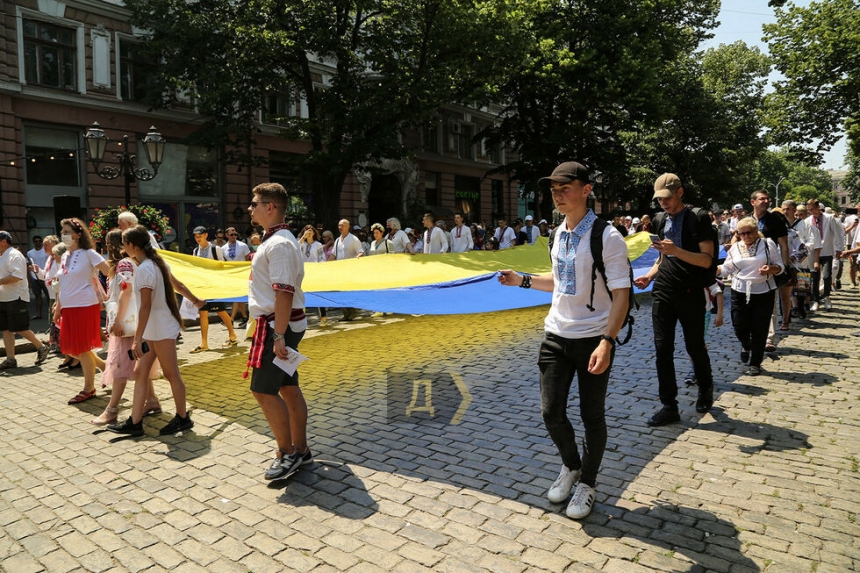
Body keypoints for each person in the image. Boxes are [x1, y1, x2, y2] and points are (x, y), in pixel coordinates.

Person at [498, 161, 629, 520]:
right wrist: (521, 280)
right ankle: (571, 466)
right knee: (551, 412)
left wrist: (607, 341)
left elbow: (622, 294)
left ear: (586, 190)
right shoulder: (558, 234)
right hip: (556, 334)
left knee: (592, 416)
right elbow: (561, 281)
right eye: (553, 188)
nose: (557, 194)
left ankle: (587, 483)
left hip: (592, 338)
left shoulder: (607, 237)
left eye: (565, 187)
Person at [633, 173, 716, 426]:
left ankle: (705, 389)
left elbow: (706, 260)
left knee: (694, 346)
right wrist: (648, 277)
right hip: (663, 292)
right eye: (659, 199)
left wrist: (676, 250)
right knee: (662, 350)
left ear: (680, 192)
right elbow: (662, 259)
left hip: (690, 292)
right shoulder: (659, 219)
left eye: (667, 198)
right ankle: (669, 406)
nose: (663, 203)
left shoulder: (698, 218)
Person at [244, 183, 313, 480]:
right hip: (278, 325)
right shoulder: (276, 240)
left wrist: (279, 336)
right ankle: (301, 450)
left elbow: (283, 293)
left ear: (270, 207)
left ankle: (288, 453)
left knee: (262, 390)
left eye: (255, 203)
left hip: (275, 326)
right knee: (287, 387)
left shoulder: (280, 243)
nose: (250, 208)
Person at [108, 225, 193, 437]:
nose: (123, 248)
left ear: (132, 245)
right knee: (140, 373)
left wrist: (137, 340)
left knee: (172, 374)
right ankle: (135, 422)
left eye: (125, 244)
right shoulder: (154, 263)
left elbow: (145, 306)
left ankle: (182, 418)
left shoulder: (146, 268)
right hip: (155, 329)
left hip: (160, 329)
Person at [91, 229, 162, 425]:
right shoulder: (130, 263)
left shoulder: (124, 264)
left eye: (107, 244)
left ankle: (111, 410)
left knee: (119, 367)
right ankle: (152, 400)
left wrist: (117, 320)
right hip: (133, 322)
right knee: (140, 366)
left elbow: (126, 290)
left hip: (126, 324)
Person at [717, 217, 784, 376]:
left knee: (760, 329)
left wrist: (771, 269)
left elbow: (780, 266)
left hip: (764, 291)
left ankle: (755, 363)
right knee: (739, 326)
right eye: (742, 233)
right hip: (740, 291)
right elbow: (727, 268)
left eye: (750, 232)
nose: (746, 236)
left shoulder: (768, 244)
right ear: (738, 234)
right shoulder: (735, 248)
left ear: (756, 231)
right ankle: (746, 345)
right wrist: (711, 270)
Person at [54, 219, 111, 403]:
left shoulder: (89, 253)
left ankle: (89, 388)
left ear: (78, 234)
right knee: (70, 347)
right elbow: (63, 285)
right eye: (62, 231)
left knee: (83, 348)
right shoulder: (64, 256)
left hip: (85, 305)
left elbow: (109, 271)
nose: (64, 234)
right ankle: (105, 367)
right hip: (69, 306)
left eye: (67, 231)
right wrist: (58, 307)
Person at [0, 230, 50, 370]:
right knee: (6, 329)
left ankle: (41, 346)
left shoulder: (14, 255)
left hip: (16, 297)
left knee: (20, 328)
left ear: (4, 241)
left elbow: (17, 276)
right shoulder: (1, 255)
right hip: (4, 298)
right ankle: (10, 359)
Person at [190, 226, 238, 352]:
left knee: (221, 311)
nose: (198, 239)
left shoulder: (215, 249)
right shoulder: (195, 251)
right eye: (196, 237)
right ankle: (204, 343)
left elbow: (221, 266)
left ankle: (232, 336)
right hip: (202, 287)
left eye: (200, 236)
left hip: (214, 286)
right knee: (203, 313)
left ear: (206, 235)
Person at [806, 200, 844, 311]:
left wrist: (838, 248)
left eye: (812, 209)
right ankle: (816, 300)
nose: (810, 211)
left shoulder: (829, 218)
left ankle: (826, 296)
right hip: (813, 252)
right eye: (808, 209)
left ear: (818, 207)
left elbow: (838, 233)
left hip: (827, 250)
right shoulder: (808, 220)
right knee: (815, 277)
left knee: (827, 275)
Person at [330, 219, 364, 320]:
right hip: (340, 271)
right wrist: (325, 264)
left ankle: (354, 311)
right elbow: (333, 254)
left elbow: (360, 251)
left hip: (350, 270)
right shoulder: (337, 240)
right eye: (339, 225)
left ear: (348, 227)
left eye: (342, 225)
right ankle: (346, 313)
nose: (340, 227)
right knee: (341, 292)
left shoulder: (354, 239)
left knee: (350, 291)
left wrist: (358, 257)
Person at [222, 227, 252, 328]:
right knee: (238, 297)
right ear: (227, 235)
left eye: (235, 234)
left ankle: (231, 319)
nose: (234, 236)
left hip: (243, 274)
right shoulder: (223, 249)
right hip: (232, 275)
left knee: (237, 296)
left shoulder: (243, 246)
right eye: (231, 235)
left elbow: (248, 259)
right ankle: (244, 317)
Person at [26, 235, 50, 319]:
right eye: (36, 241)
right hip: (34, 277)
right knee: (37, 296)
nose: (38, 243)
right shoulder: (30, 253)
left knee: (49, 296)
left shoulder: (46, 251)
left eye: (39, 241)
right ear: (33, 242)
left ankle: (51, 313)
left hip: (46, 276)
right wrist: (31, 276)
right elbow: (28, 265)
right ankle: (38, 314)